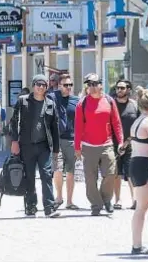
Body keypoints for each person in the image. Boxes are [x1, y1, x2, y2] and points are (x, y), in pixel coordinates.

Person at [10, 74, 61, 218]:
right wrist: (14, 141)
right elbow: (14, 122)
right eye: (38, 84)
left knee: (46, 175)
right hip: (26, 145)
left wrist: (56, 150)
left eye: (44, 85)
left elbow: (54, 128)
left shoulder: (50, 103)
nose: (41, 87)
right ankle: (31, 206)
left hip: (44, 146)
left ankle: (49, 207)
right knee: (30, 177)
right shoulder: (23, 101)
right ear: (33, 85)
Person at [74, 73, 124, 216]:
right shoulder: (82, 104)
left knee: (110, 173)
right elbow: (78, 127)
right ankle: (96, 204)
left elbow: (116, 123)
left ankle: (106, 199)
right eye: (89, 85)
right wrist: (77, 147)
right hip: (88, 146)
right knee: (90, 178)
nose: (92, 87)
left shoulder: (109, 101)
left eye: (95, 84)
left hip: (107, 144)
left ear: (101, 85)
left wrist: (120, 141)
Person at [129, 87, 148, 255]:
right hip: (147, 164)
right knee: (147, 207)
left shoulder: (138, 121)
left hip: (137, 163)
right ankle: (145, 245)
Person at [51, 74, 80, 210]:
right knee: (57, 168)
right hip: (56, 139)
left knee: (70, 170)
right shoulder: (52, 97)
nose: (68, 87)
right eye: (65, 85)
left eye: (70, 85)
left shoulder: (76, 100)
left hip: (71, 139)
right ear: (59, 85)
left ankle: (69, 201)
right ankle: (59, 197)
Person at [113, 79, 139, 210]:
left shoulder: (134, 105)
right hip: (113, 143)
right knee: (116, 172)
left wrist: (128, 141)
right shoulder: (111, 104)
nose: (119, 90)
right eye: (118, 88)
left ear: (128, 90)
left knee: (130, 172)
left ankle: (135, 200)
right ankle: (117, 199)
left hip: (130, 143)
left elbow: (139, 123)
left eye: (122, 88)